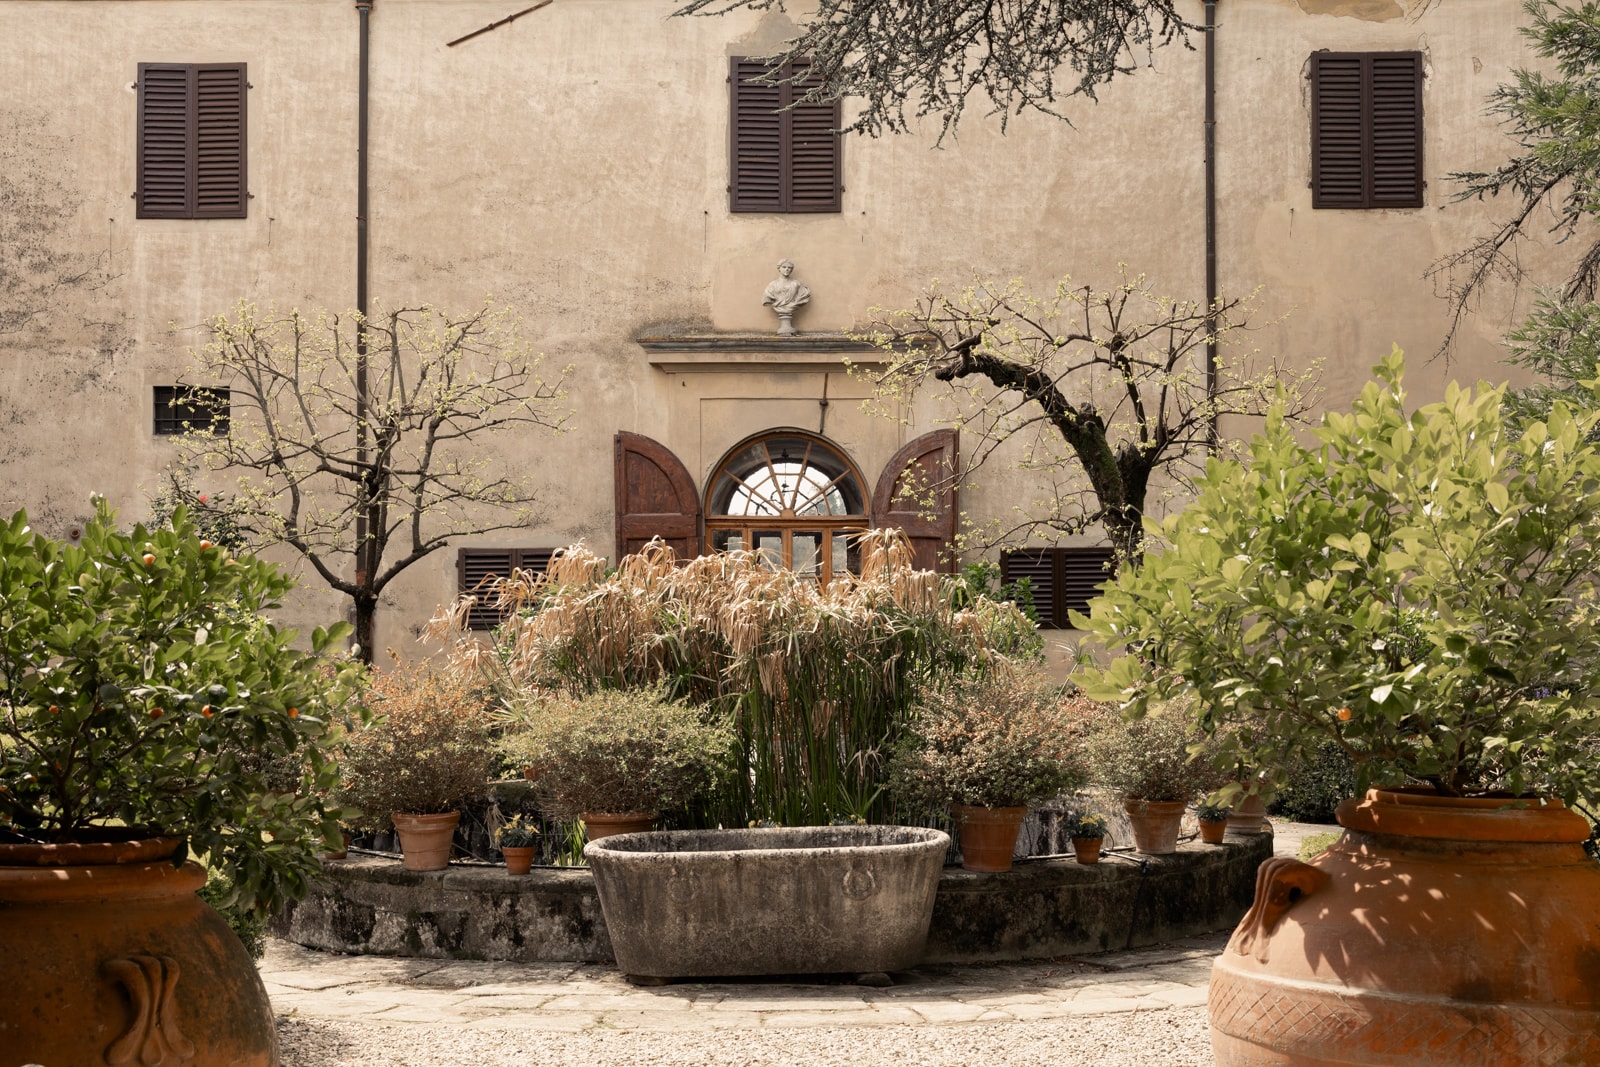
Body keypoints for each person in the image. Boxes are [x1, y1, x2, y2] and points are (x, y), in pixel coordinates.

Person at [762, 260, 810, 333]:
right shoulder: (772, 285)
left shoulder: (796, 284)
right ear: (779, 269)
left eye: (789, 267)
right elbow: (767, 297)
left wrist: (794, 303)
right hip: (779, 306)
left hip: (792, 305)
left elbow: (804, 295)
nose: (787, 269)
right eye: (784, 267)